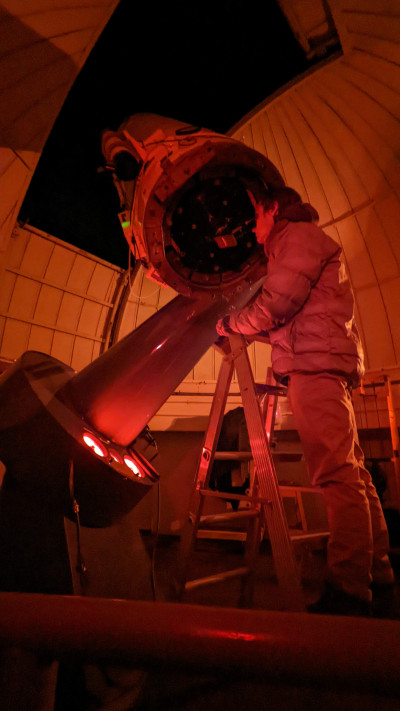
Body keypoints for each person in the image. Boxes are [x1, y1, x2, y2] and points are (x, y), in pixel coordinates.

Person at [216, 186, 394, 616]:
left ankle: (350, 590)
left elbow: (276, 305)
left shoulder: (296, 238)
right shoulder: (299, 245)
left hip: (315, 371)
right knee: (354, 476)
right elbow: (284, 321)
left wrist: (228, 322)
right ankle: (380, 573)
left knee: (337, 476)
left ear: (273, 209)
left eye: (255, 215)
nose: (251, 227)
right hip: (323, 367)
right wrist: (239, 329)